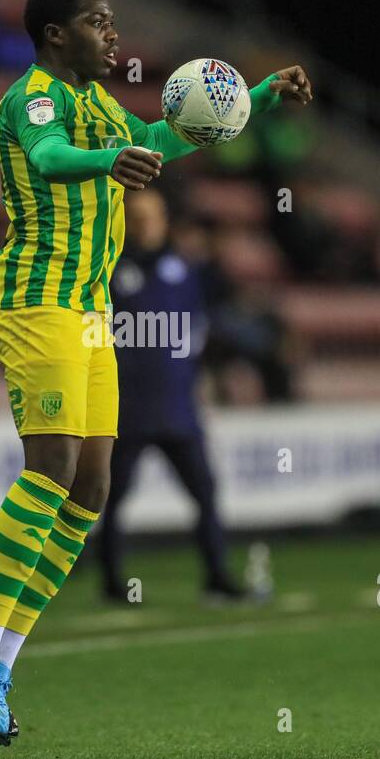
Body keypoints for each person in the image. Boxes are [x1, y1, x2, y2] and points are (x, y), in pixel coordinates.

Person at [0, 0, 313, 745]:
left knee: (92, 488)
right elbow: (48, 158)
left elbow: (162, 142)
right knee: (49, 468)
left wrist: (255, 98)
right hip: (36, 299)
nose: (114, 36)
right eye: (96, 23)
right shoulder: (34, 97)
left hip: (88, 312)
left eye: (113, 23)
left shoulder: (107, 108)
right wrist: (112, 157)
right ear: (54, 36)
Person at [91, 188, 245, 601]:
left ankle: (217, 574)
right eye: (136, 216)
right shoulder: (107, 269)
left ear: (164, 221)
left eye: (151, 216)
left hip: (179, 407)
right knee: (112, 497)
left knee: (206, 492)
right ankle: (111, 581)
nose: (144, 224)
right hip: (126, 408)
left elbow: (203, 327)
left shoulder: (185, 269)